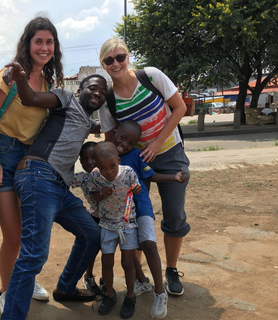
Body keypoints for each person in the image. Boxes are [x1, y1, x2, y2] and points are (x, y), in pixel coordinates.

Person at [0, 63, 107, 320]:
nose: (99, 94)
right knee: (34, 253)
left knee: (91, 234)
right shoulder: (66, 98)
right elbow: (31, 98)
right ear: (80, 89)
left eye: (103, 92)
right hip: (39, 175)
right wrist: (21, 78)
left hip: (58, 186)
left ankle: (66, 287)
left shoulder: (88, 121)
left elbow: (100, 127)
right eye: (93, 88)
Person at [98, 37, 190, 297]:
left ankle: (171, 269)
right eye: (109, 60)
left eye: (120, 57)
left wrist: (157, 142)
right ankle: (139, 275)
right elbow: (109, 140)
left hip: (169, 151)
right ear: (103, 64)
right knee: (134, 218)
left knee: (173, 214)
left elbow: (179, 107)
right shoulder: (107, 99)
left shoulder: (151, 76)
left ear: (127, 57)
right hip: (134, 163)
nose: (116, 63)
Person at [0, 16, 64, 312]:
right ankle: (8, 290)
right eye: (39, 41)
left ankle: (24, 280)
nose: (44, 47)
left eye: (49, 42)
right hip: (2, 155)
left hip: (30, 161)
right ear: (27, 44)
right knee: (14, 234)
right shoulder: (9, 75)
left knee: (30, 232)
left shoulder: (48, 81)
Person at [113, 120, 188, 319]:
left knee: (148, 243)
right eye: (122, 138)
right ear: (114, 132)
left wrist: (174, 178)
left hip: (142, 207)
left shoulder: (136, 155)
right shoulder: (107, 154)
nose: (125, 144)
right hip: (120, 213)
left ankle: (159, 292)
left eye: (131, 142)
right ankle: (141, 283)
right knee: (127, 252)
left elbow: (151, 176)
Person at [88, 141, 141, 318]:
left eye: (112, 166)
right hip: (107, 225)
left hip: (127, 223)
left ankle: (130, 296)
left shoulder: (128, 172)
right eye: (104, 168)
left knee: (127, 262)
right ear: (97, 166)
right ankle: (110, 295)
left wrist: (137, 189)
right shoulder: (95, 177)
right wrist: (101, 194)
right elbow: (93, 197)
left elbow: (136, 188)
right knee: (106, 262)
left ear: (118, 160)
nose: (109, 172)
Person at [69, 142, 102, 296]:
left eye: (93, 158)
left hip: (112, 219)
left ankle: (105, 280)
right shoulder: (82, 178)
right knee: (92, 250)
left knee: (108, 251)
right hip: (95, 217)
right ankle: (88, 276)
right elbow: (66, 181)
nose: (89, 162)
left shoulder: (109, 173)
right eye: (84, 159)